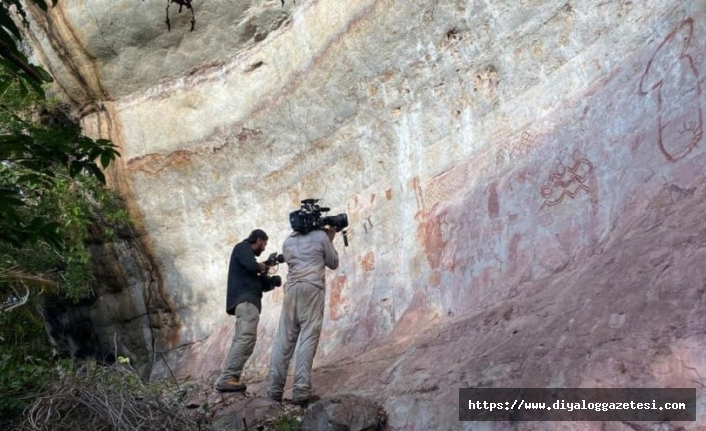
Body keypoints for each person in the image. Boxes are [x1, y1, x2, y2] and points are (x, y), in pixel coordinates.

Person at [266, 225, 339, 405]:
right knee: (307, 337)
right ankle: (300, 391)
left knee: (284, 341)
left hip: (291, 290)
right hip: (312, 288)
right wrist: (330, 239)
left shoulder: (288, 241)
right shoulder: (321, 236)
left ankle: (274, 391)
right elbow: (333, 262)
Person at [216, 228, 274, 392]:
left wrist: (268, 278)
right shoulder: (242, 247)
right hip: (246, 302)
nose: (264, 248)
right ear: (259, 240)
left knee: (242, 339)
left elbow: (262, 283)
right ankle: (228, 377)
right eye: (264, 244)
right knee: (246, 338)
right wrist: (262, 265)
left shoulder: (247, 261)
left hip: (247, 301)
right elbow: (251, 265)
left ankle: (230, 376)